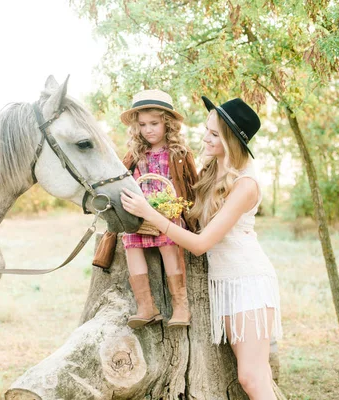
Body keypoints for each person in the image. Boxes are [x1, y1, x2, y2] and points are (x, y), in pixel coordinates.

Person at [121, 96, 283, 399]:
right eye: (206, 130)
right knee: (254, 372)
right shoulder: (213, 169)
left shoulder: (246, 183)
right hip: (224, 282)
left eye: (213, 134)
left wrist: (150, 214)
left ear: (231, 140)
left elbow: (200, 244)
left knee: (251, 376)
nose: (204, 138)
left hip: (247, 281)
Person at [112, 89, 199, 329]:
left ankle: (181, 306)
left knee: (169, 247)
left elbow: (191, 186)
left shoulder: (179, 153)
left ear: (167, 124)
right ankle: (146, 305)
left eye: (154, 123)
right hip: (139, 214)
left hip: (168, 213)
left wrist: (184, 212)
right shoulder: (133, 155)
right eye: (142, 124)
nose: (148, 129)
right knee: (130, 244)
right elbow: (121, 183)